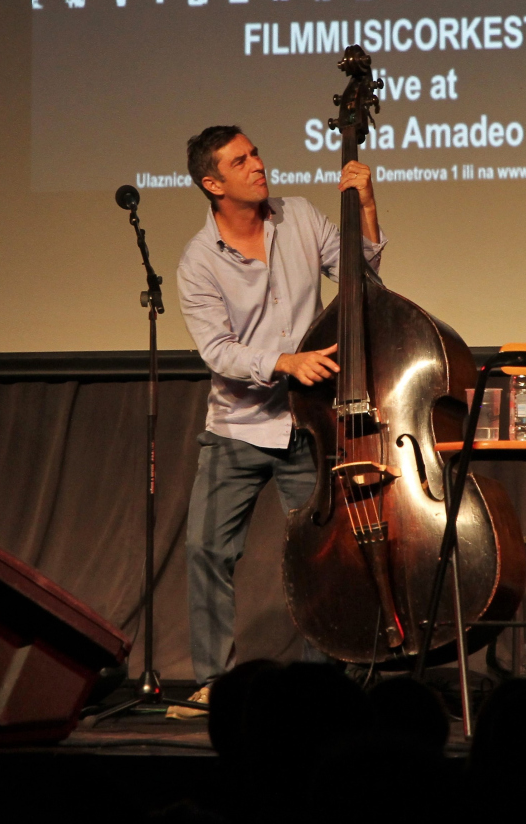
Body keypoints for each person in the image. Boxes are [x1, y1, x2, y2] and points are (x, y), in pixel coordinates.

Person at [173, 125, 384, 717]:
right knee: (206, 549)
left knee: (325, 553)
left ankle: (322, 682)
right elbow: (218, 351)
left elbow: (363, 282)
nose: (257, 164)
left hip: (309, 424)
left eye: (256, 152)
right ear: (213, 184)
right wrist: (285, 362)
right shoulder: (198, 261)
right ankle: (215, 680)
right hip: (238, 426)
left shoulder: (300, 217)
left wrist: (366, 207)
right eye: (240, 161)